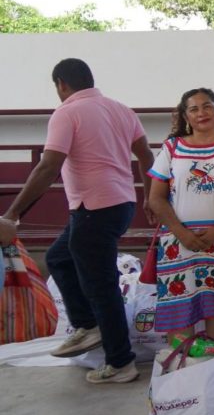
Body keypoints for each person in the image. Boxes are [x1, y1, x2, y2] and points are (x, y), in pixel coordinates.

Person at [0, 59, 154, 384]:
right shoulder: (121, 109)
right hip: (119, 204)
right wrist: (151, 197)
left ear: (61, 85)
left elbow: (48, 167)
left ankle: (120, 362)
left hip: (93, 209)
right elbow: (146, 156)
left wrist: (12, 214)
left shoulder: (66, 113)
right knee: (59, 258)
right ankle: (87, 325)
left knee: (101, 287)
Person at [147, 88, 214, 343]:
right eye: (193, 109)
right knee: (180, 312)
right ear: (185, 116)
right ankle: (181, 372)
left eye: (207, 106)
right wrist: (181, 232)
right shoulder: (172, 148)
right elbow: (155, 198)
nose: (201, 113)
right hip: (179, 244)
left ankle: (213, 371)